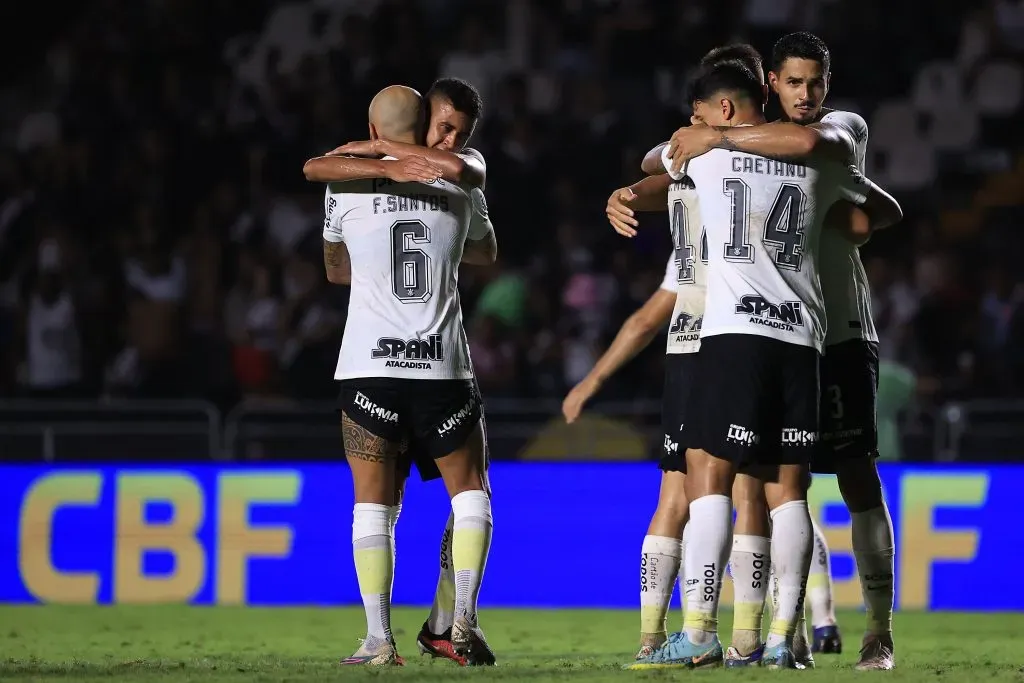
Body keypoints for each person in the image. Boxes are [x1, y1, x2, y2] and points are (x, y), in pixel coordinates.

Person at [641, 60, 902, 669]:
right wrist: (633, 187)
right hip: (801, 335)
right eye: (791, 83)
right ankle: (787, 633)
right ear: (771, 89)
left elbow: (873, 204)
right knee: (781, 486)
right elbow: (661, 161)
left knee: (850, 477)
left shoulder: (836, 132)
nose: (805, 94)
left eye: (814, 83)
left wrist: (711, 139)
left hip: (837, 333)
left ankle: (876, 632)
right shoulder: (760, 145)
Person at [307, 78, 494, 666]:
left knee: (373, 506)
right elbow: (486, 252)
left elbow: (335, 269)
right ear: (425, 127)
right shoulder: (462, 181)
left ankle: (378, 639)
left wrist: (370, 162)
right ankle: (460, 621)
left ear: (373, 131)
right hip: (443, 369)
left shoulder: (344, 186)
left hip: (369, 366)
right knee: (471, 497)